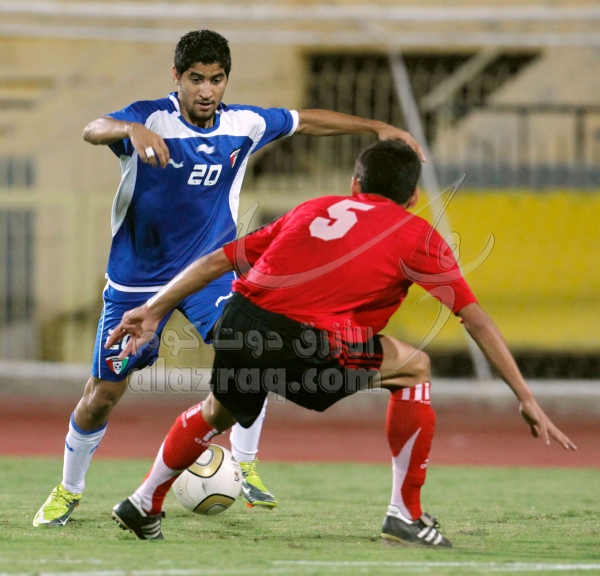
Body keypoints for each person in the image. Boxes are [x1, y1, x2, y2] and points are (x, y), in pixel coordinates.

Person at [33, 30, 425, 527]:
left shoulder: (245, 123)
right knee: (102, 395)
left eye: (216, 80)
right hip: (136, 282)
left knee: (252, 350)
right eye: (196, 79)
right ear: (177, 77)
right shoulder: (149, 119)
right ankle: (69, 489)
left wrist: (375, 126)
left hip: (208, 277)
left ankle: (244, 464)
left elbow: (305, 121)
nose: (206, 90)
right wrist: (129, 131)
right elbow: (93, 128)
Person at [104, 140, 576, 544]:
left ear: (355, 183)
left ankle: (143, 502)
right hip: (309, 342)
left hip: (240, 322)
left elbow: (215, 263)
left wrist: (153, 309)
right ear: (413, 196)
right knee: (414, 366)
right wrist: (526, 397)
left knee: (217, 411)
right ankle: (405, 514)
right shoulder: (416, 232)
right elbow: (475, 320)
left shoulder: (311, 208)